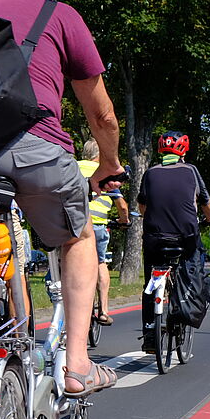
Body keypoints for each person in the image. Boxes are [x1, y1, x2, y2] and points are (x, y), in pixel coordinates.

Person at [0, 0, 122, 411]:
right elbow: (100, 113)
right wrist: (107, 163)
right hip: (38, 148)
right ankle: (78, 364)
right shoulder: (61, 16)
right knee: (78, 239)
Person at [136, 131, 210, 351]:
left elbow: (142, 206)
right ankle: (185, 307)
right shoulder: (191, 171)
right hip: (186, 237)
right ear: (183, 151)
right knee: (193, 267)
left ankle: (150, 332)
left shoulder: (150, 173)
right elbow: (206, 204)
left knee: (150, 283)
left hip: (155, 238)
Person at [78, 139, 130, 325]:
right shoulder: (102, 172)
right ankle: (103, 310)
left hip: (73, 225)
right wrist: (124, 221)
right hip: (97, 226)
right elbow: (122, 206)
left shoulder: (73, 167)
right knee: (100, 262)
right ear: (99, 155)